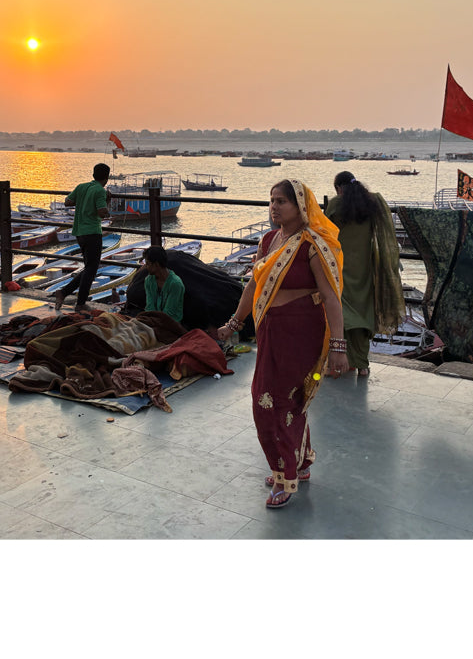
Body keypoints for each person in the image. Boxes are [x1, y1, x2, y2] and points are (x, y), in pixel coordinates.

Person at [216, 179, 348, 510]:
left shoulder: (312, 246)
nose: (274, 207)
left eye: (282, 202)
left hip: (303, 330)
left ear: (300, 207)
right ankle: (299, 462)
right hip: (271, 330)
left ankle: (284, 473)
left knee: (273, 402)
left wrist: (338, 346)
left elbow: (331, 298)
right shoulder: (269, 240)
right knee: (283, 400)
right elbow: (252, 286)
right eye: (271, 201)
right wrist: (234, 323)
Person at [325, 170, 405, 376]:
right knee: (362, 314)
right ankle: (362, 365)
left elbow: (324, 232)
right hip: (364, 268)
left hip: (339, 266)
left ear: (338, 188)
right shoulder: (372, 203)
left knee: (340, 314)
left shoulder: (335, 205)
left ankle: (338, 364)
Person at [54, 163, 111, 312]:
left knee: (88, 268)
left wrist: (83, 201)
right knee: (91, 269)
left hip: (79, 232)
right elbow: (101, 212)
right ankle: (80, 303)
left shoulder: (81, 187)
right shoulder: (100, 190)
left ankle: (64, 292)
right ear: (107, 177)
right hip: (92, 232)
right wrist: (108, 205)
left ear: (93, 175)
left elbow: (68, 202)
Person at [142, 245, 185, 324]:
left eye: (148, 264)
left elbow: (168, 314)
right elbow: (149, 307)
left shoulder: (175, 284)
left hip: (171, 324)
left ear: (156, 264)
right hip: (154, 321)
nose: (146, 267)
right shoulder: (149, 280)